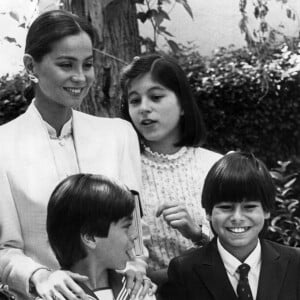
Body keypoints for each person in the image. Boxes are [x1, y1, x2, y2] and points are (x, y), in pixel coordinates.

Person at [0, 10, 148, 300]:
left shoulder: (119, 135)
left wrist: (136, 265)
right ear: (31, 65)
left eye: (88, 64)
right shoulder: (2, 145)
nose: (80, 77)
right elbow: (5, 248)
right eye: (66, 64)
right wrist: (39, 277)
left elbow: (136, 233)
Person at [120, 54, 222, 283]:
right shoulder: (122, 171)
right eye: (134, 100)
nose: (143, 108)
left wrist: (197, 233)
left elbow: (244, 242)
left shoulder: (216, 166)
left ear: (183, 104)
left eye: (156, 97)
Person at [161, 152, 300, 300]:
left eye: (249, 207)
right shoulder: (184, 271)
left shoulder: (295, 263)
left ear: (266, 211)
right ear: (208, 212)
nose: (237, 218)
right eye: (226, 207)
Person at [46, 174, 156, 300]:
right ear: (91, 238)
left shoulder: (139, 291)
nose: (136, 235)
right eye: (126, 226)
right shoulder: (53, 296)